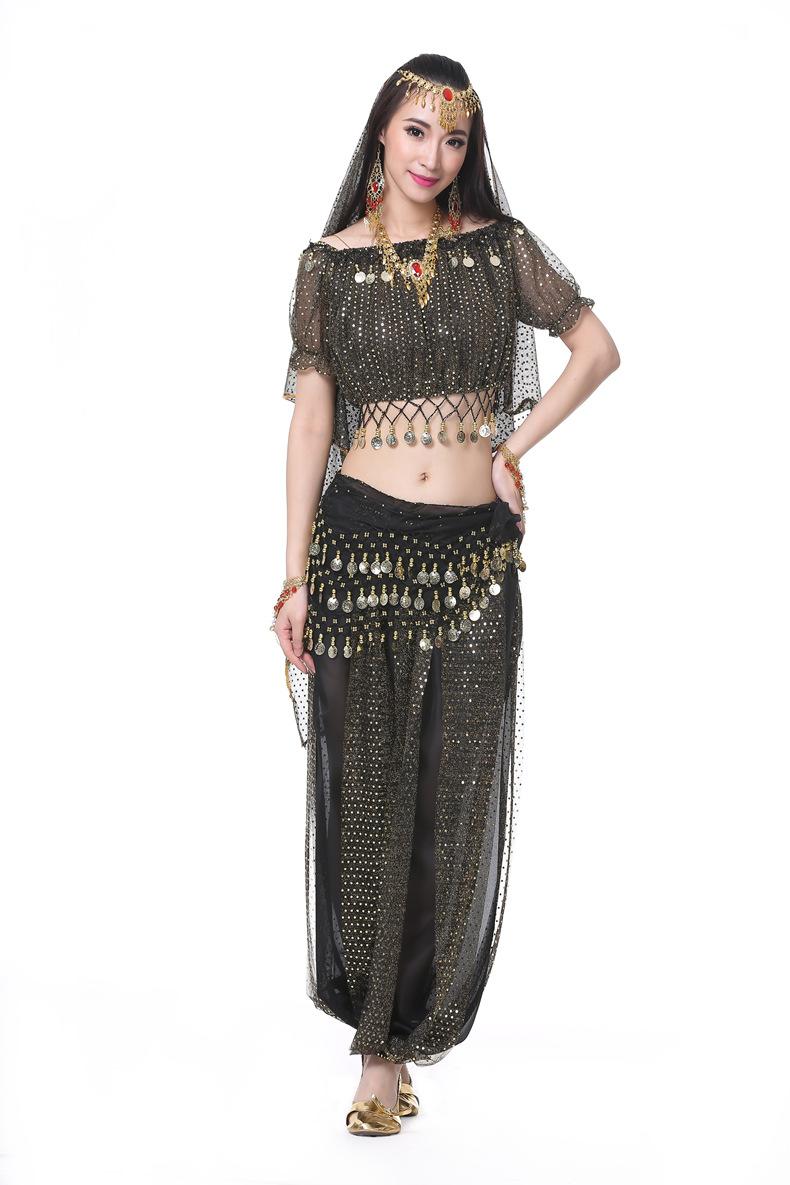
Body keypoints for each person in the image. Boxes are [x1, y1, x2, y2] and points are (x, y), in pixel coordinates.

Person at [272, 54, 620, 1136]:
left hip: (473, 562)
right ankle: (376, 1058)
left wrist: (512, 446)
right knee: (366, 800)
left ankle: (409, 1026)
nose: (434, 155)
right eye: (416, 130)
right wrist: (292, 575)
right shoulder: (327, 267)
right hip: (357, 556)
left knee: (447, 803)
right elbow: (312, 421)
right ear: (382, 133)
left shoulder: (499, 251)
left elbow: (597, 348)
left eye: (454, 137)